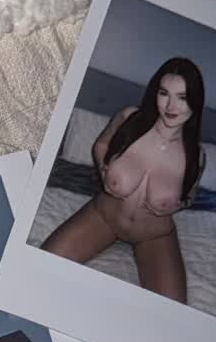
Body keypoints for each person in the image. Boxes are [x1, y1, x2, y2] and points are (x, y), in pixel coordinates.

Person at [40, 58, 207, 303]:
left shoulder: (196, 154)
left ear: (195, 101)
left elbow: (190, 195)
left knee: (172, 309)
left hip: (154, 235)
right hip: (104, 217)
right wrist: (104, 172)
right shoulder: (130, 117)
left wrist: (178, 204)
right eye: (164, 93)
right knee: (42, 267)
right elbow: (101, 145)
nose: (171, 106)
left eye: (182, 97)